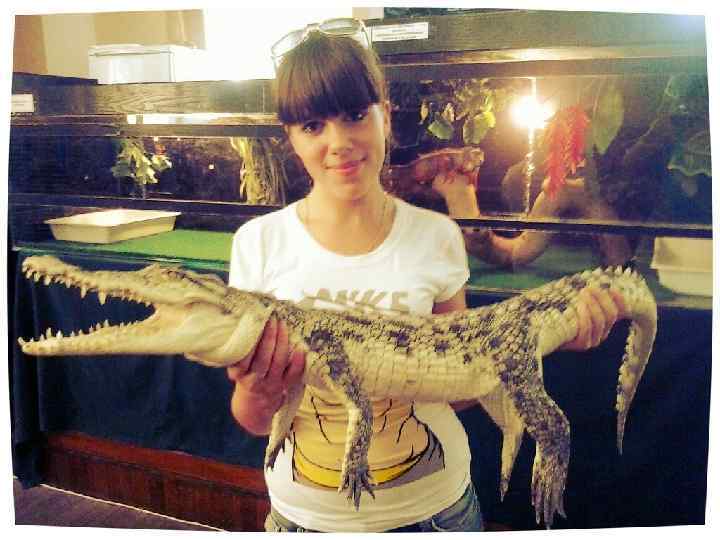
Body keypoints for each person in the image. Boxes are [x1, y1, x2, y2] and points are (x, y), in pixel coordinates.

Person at [222, 20, 627, 533]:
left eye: (355, 115)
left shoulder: (437, 236)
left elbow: (459, 386)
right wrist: (258, 392)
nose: (339, 142)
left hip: (434, 514)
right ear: (291, 138)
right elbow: (254, 418)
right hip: (302, 519)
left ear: (385, 116)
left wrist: (547, 337)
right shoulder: (257, 243)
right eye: (313, 126)